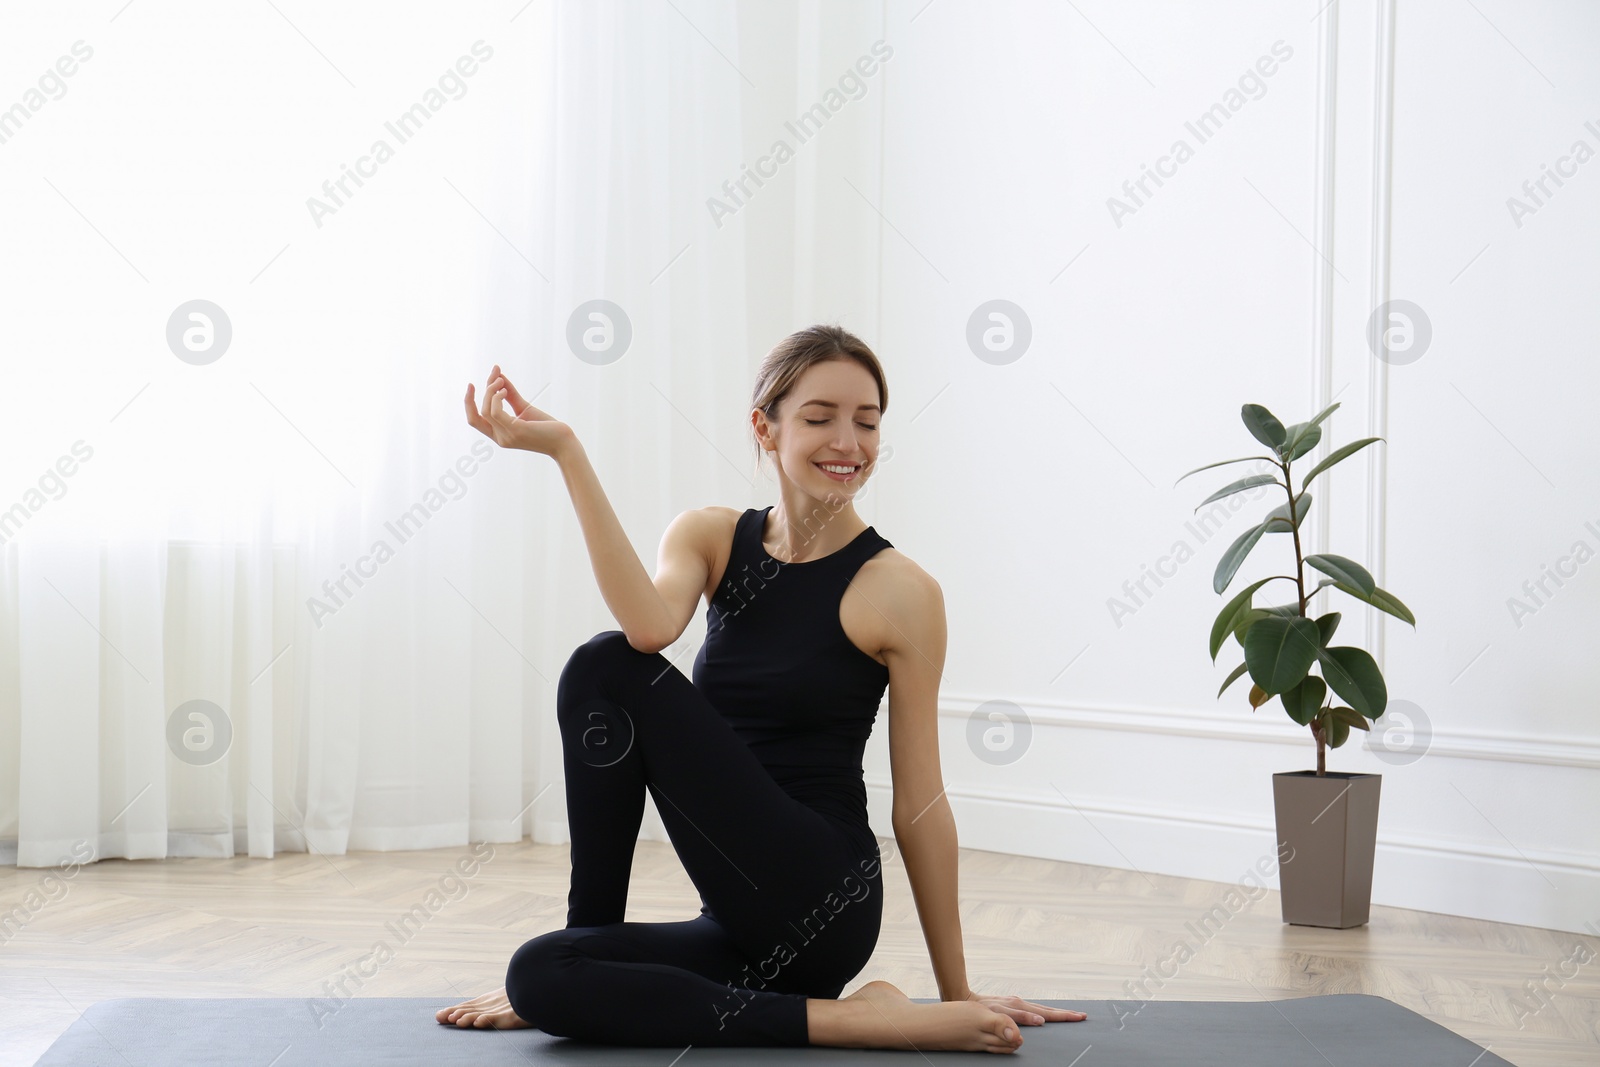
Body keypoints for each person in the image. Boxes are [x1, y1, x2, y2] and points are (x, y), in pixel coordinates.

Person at [439, 324, 1086, 1051]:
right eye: (819, 418)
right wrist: (567, 451)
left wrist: (957, 990)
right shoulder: (710, 537)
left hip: (825, 892)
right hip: (739, 920)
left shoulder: (903, 590)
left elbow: (921, 805)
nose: (849, 441)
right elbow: (649, 626)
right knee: (541, 971)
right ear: (765, 427)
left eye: (867, 422)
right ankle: (849, 1014)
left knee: (604, 664)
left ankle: (863, 1009)